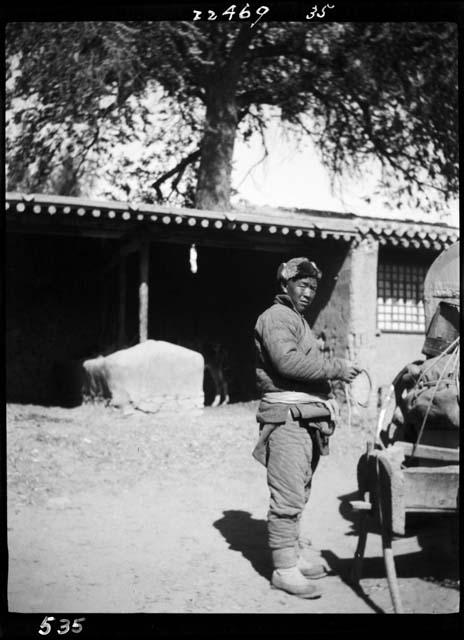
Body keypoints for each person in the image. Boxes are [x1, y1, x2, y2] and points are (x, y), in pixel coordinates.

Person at [253, 257, 360, 599]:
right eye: (302, 285)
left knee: (300, 491)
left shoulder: (296, 319)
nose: (308, 292)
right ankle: (284, 569)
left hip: (306, 418)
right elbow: (287, 362)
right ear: (284, 284)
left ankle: (294, 556)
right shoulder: (275, 318)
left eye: (313, 287)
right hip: (287, 419)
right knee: (287, 494)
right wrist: (336, 367)